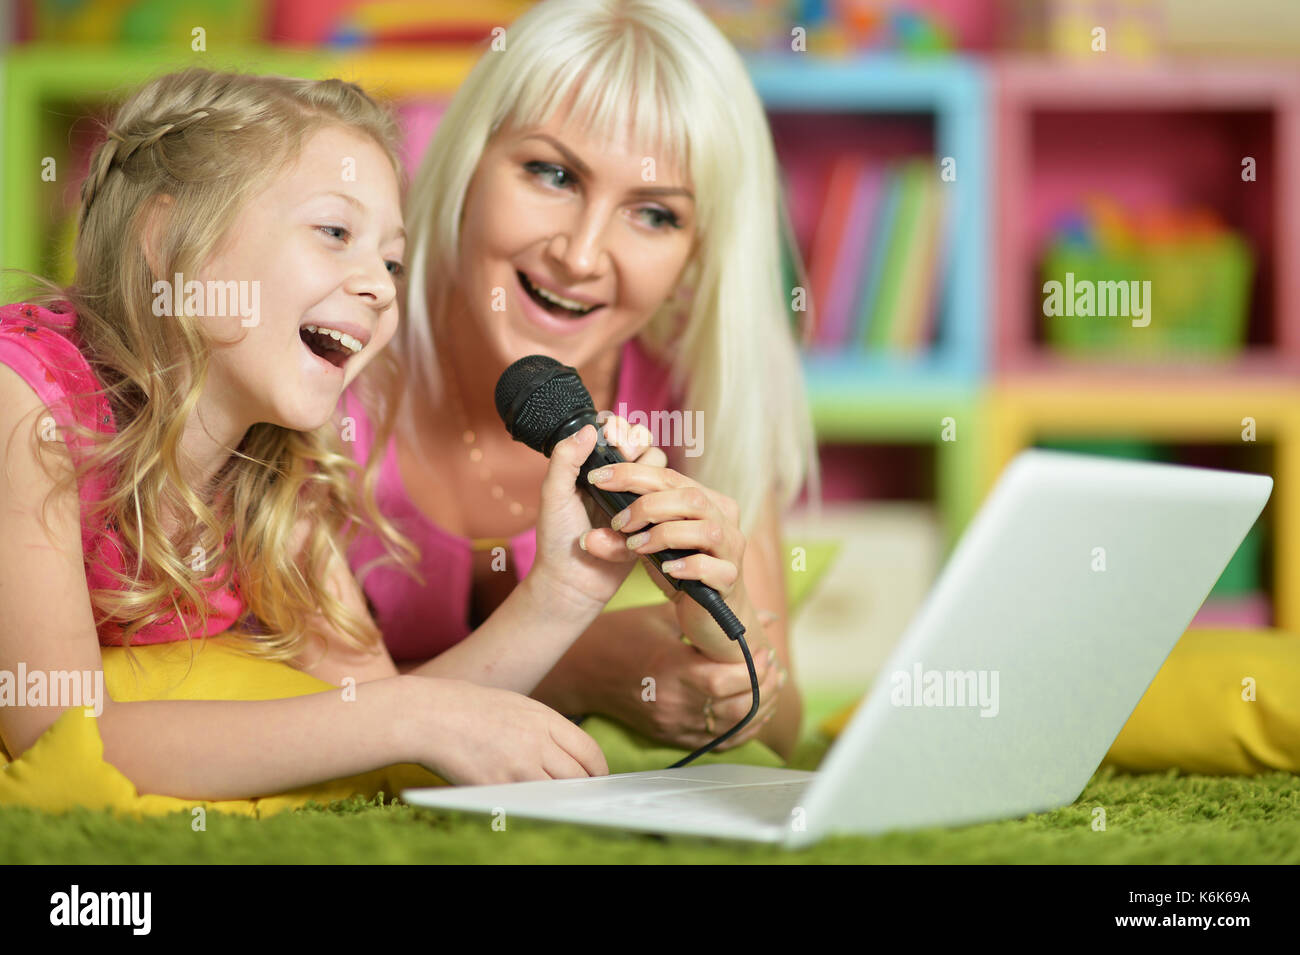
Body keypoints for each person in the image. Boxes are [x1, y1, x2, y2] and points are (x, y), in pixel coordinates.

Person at [0, 66, 635, 800]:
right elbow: (60, 738)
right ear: (167, 238)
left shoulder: (276, 469)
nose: (380, 286)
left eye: (392, 260)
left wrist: (561, 593)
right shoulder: (30, 410)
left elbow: (381, 711)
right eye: (335, 232)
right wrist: (405, 715)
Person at [344, 0, 820, 759]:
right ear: (469, 161)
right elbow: (294, 715)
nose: (582, 253)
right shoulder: (332, 363)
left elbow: (787, 719)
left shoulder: (696, 396)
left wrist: (725, 628)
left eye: (656, 214)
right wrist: (576, 669)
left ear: (698, 252)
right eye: (553, 173)